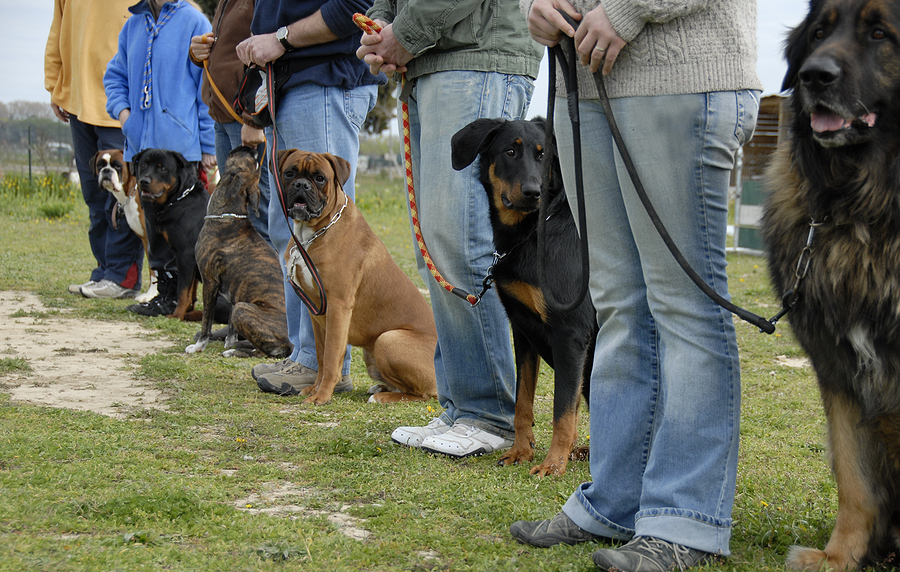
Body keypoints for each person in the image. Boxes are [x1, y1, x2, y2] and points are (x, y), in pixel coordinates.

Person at [508, 0, 761, 570]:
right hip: (585, 88)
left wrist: (626, 10)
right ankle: (615, 500)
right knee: (619, 305)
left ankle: (686, 520)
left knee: (684, 306)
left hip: (679, 75)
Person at [356, 1, 542, 457]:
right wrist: (382, 24)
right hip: (428, 61)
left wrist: (405, 33)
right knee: (436, 247)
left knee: (462, 243)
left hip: (475, 55)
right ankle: (462, 407)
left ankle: (491, 413)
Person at [238, 0, 384, 396]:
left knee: (330, 240)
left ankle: (322, 367)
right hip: (288, 79)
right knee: (291, 232)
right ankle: (306, 356)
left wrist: (280, 38)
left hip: (322, 79)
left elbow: (354, 5)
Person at [104, 0, 217, 317]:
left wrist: (208, 146)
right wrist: (125, 116)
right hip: (141, 149)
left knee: (184, 234)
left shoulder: (195, 21)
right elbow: (114, 77)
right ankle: (164, 293)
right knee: (153, 231)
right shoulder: (132, 25)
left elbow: (204, 88)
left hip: (181, 154)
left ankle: (189, 300)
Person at [45, 0, 146, 300]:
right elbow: (57, 30)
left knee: (119, 197)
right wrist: (54, 84)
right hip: (77, 97)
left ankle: (122, 277)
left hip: (119, 103)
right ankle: (104, 271)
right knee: (93, 193)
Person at [189, 0, 272, 244]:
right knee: (234, 212)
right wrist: (198, 53)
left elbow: (268, 52)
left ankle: (269, 282)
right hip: (222, 116)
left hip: (245, 118)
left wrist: (254, 118)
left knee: (257, 215)